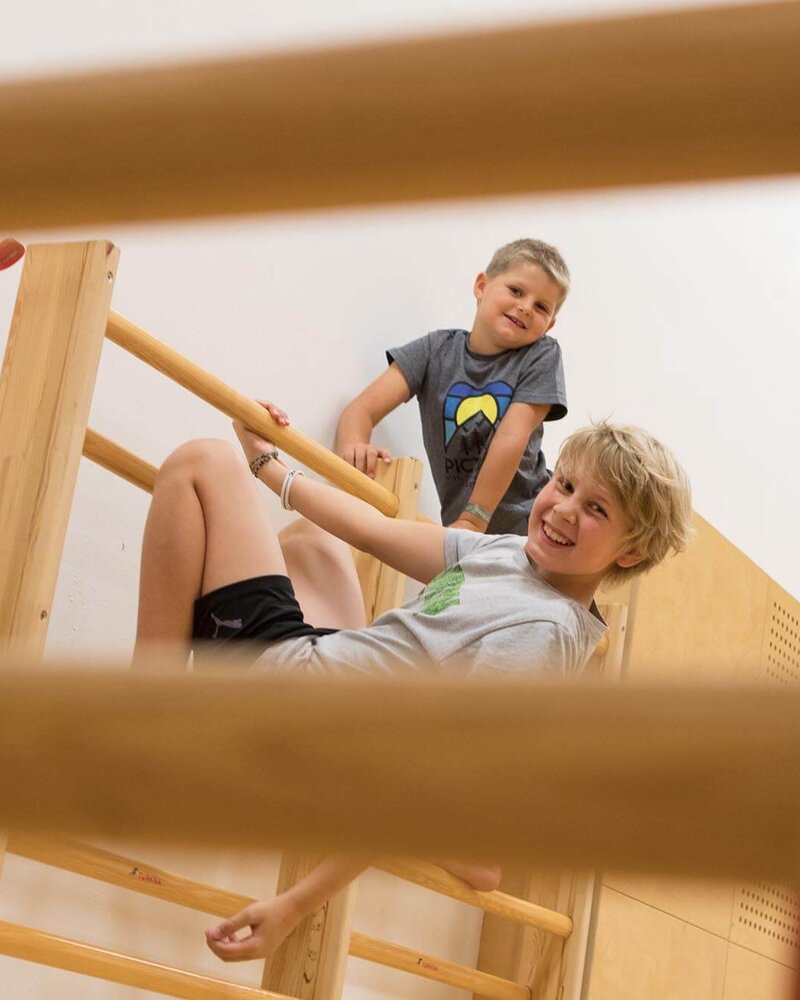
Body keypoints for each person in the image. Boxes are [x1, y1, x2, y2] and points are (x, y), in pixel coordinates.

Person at [133, 403, 692, 964]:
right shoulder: (512, 556)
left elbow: (419, 786)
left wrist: (294, 906)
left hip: (288, 704)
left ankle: (140, 719)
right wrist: (266, 462)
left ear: (630, 550)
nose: (564, 510)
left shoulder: (540, 633)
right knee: (314, 542)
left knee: (200, 461)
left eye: (595, 508)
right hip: (333, 681)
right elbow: (376, 533)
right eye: (565, 484)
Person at [335, 238, 570, 535]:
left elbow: (513, 434)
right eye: (516, 291)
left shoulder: (541, 354)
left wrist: (474, 517)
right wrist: (353, 453)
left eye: (541, 307)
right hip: (463, 530)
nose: (525, 307)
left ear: (548, 325)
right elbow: (360, 410)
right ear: (481, 286)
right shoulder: (435, 351)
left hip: (528, 525)